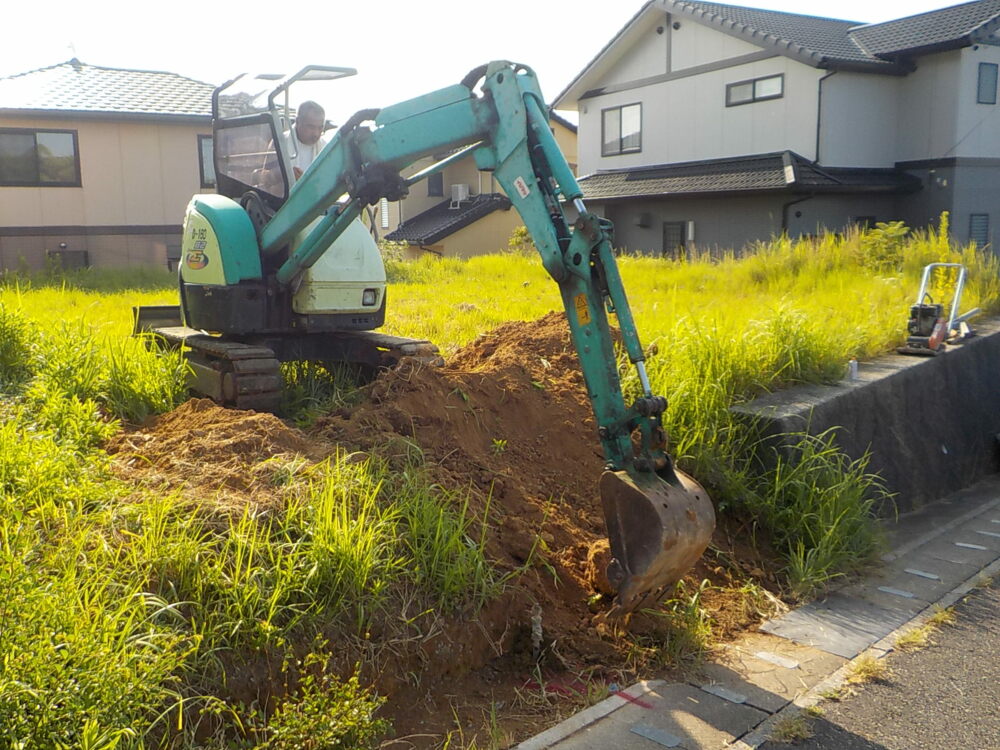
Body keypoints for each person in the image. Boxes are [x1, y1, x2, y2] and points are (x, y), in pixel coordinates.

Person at [285, 100, 328, 180]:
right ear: (298, 122)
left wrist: (305, 183)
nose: (316, 133)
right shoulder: (280, 142)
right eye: (311, 127)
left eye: (320, 127)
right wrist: (284, 175)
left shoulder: (326, 149)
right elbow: (262, 178)